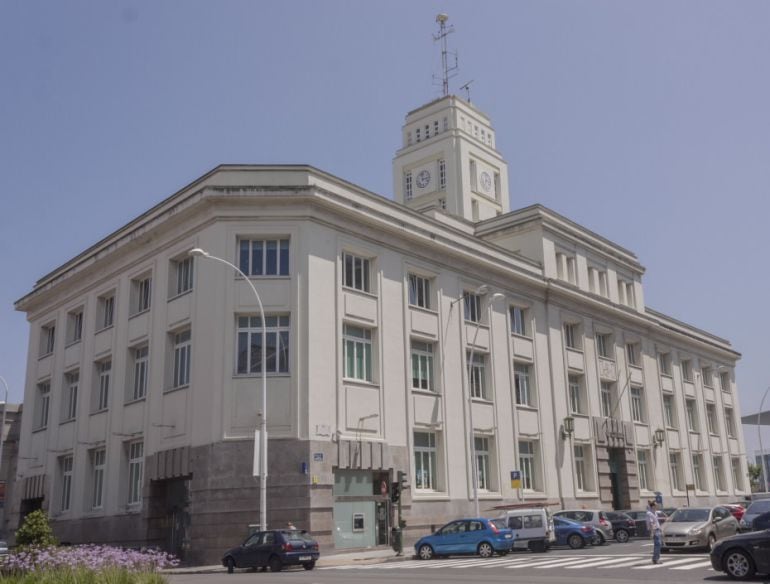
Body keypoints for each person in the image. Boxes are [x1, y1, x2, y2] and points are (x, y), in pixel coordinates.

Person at [646, 500, 663, 564]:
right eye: (656, 505)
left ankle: (655, 558)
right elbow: (651, 523)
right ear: (653, 506)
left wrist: (660, 528)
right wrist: (652, 532)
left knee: (658, 544)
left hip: (657, 529)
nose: (657, 506)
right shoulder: (649, 513)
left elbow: (656, 521)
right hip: (654, 530)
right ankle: (656, 559)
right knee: (658, 544)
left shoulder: (654, 512)